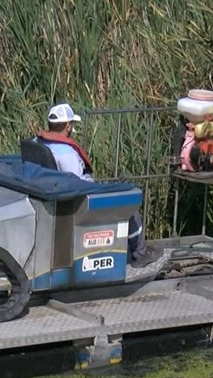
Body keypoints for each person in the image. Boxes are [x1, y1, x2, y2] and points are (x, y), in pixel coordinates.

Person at [34, 103, 161, 268]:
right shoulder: (67, 154)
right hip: (79, 201)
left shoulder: (38, 142)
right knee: (129, 205)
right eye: (72, 125)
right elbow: (77, 185)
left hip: (53, 195)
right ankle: (140, 253)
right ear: (67, 126)